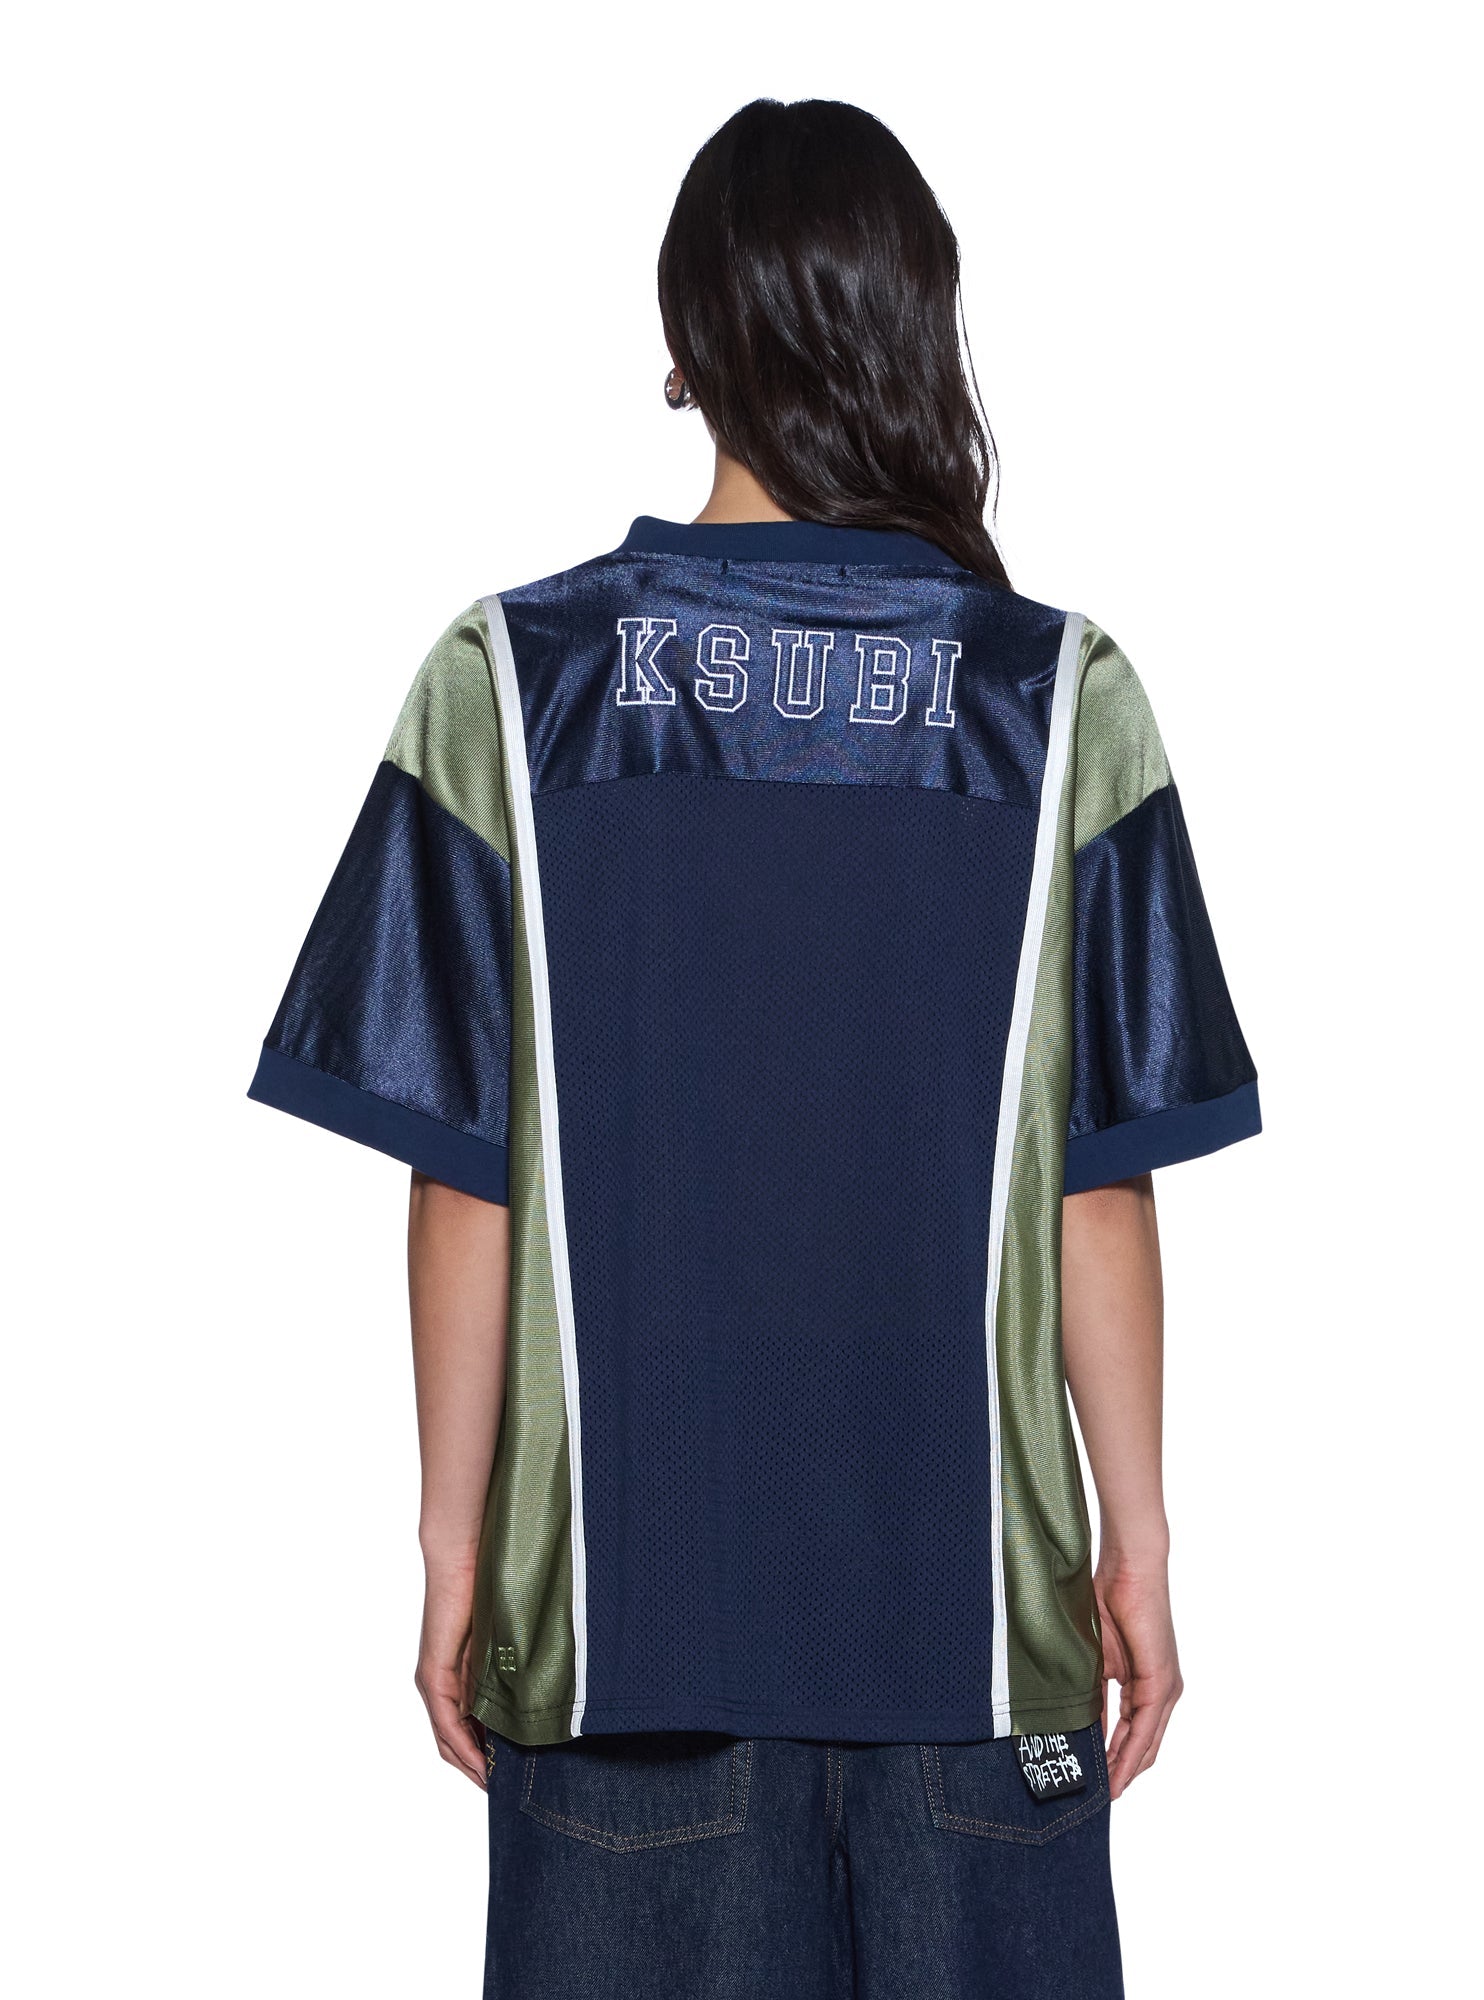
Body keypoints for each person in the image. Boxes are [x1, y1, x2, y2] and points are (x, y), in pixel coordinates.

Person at [249, 97, 1260, 2000]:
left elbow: (463, 1177)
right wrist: (1136, 1544)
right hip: (977, 1655)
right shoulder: (1055, 698)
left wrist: (454, 1551)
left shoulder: (512, 685)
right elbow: (1096, 1185)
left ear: (684, 343)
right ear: (917, 328)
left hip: (625, 1645)